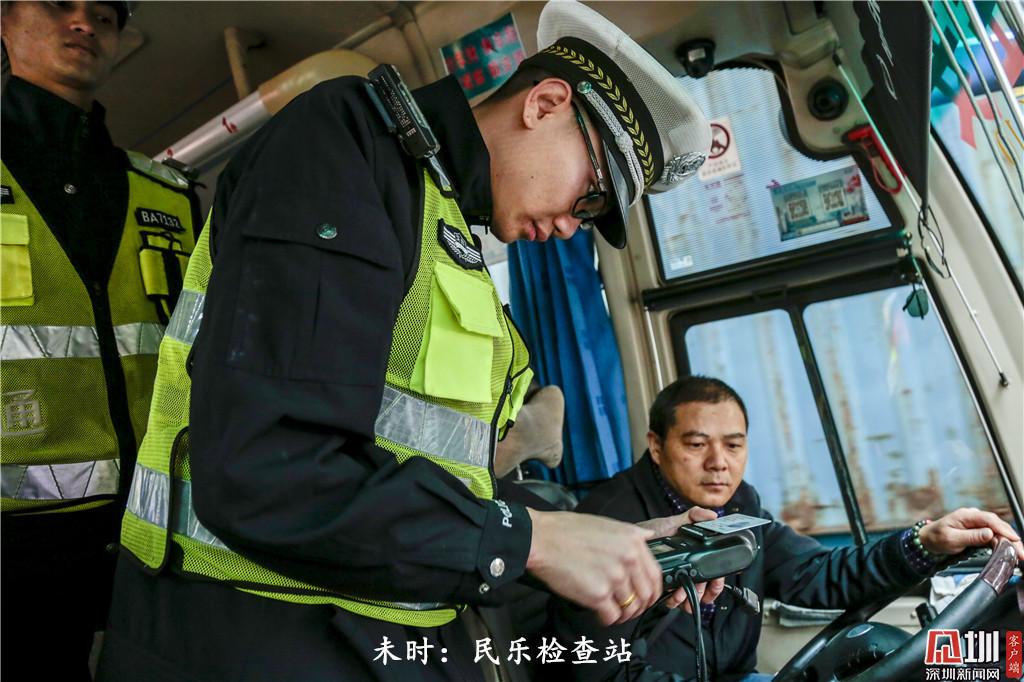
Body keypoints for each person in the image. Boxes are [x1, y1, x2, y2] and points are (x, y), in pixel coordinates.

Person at [96, 2, 715, 680]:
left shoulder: (446, 231)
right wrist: (533, 539)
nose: (573, 225)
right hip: (247, 634)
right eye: (590, 195)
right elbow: (268, 466)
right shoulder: (347, 146)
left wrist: (607, 545)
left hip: (375, 627)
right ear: (545, 103)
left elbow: (426, 470)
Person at [548, 375, 1024, 682]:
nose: (719, 463)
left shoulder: (740, 505)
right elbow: (596, 670)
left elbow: (818, 573)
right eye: (696, 444)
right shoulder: (609, 524)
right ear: (656, 446)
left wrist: (923, 543)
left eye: (734, 445)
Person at [0, 2, 200, 680]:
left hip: (163, 528)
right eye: (60, 3)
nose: (85, 22)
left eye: (106, 14)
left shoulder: (168, 194)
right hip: (17, 553)